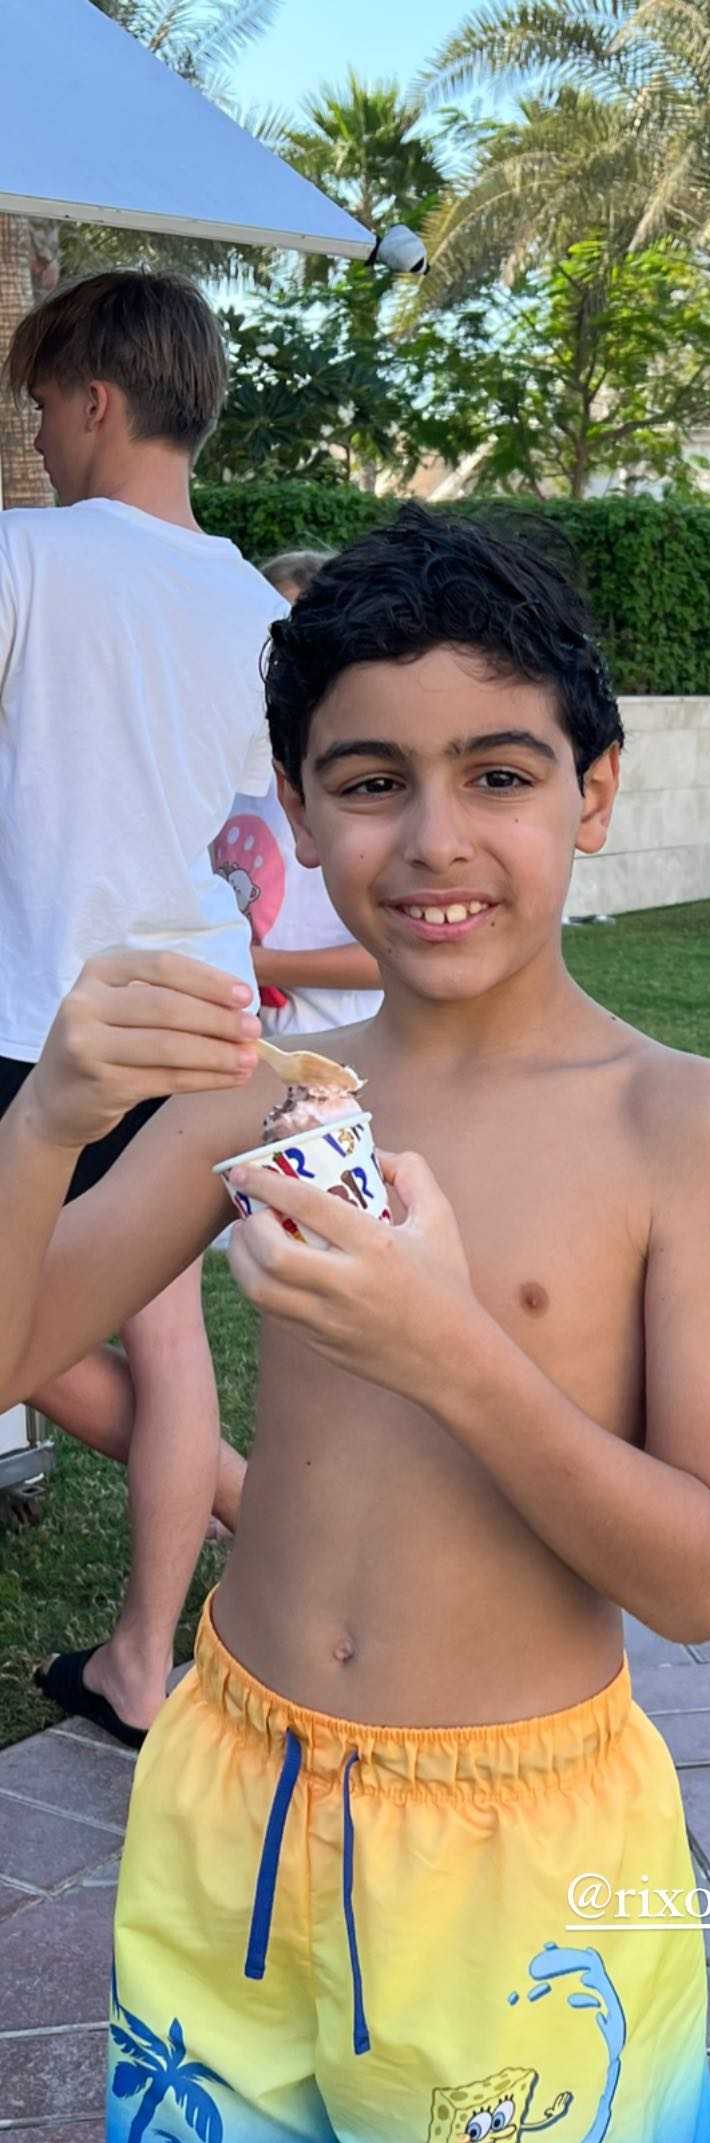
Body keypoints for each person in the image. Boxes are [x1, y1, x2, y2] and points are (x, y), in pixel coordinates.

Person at [0, 506, 710, 2143]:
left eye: (498, 773)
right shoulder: (264, 1094)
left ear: (591, 791)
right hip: (237, 1790)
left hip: (519, 1853)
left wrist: (451, 1348)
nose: (433, 839)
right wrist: (45, 1122)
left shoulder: (683, 1127)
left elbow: (704, 1575)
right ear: (295, 809)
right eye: (369, 782)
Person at [0, 269, 283, 1745]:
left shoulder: (26, 558)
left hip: (49, 1022)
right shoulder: (255, 606)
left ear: (97, 400)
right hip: (209, 1021)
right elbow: (246, 819)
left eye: (44, 405)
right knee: (157, 1340)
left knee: (37, 1331)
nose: (39, 437)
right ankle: (144, 1653)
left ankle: (193, 1588)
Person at [212, 549, 383, 1039]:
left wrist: (259, 965)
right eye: (273, 639)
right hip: (250, 1048)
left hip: (349, 1043)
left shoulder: (365, 783)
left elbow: (399, 954)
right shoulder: (226, 772)